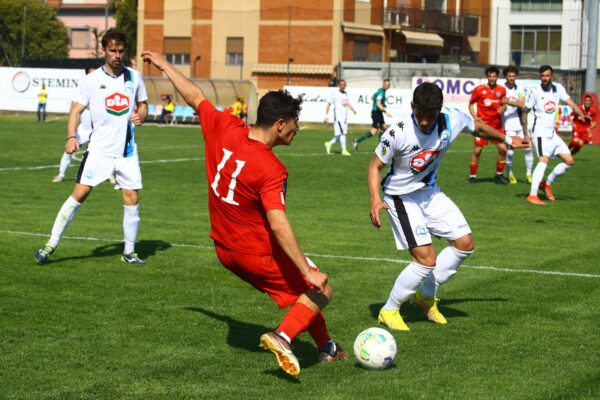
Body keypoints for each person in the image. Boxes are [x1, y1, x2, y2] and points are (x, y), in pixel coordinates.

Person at [141, 50, 348, 376]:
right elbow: (277, 222)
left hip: (224, 249)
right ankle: (282, 337)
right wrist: (307, 272)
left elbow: (195, 96)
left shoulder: (225, 125)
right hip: (254, 251)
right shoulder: (271, 169)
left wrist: (166, 65)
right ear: (280, 124)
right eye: (295, 123)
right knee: (319, 289)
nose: (298, 129)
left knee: (302, 292)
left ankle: (328, 348)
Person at [368, 82, 527, 331]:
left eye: (429, 117)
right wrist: (375, 200)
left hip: (429, 192)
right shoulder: (398, 131)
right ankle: (389, 309)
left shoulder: (452, 119)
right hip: (400, 197)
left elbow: (479, 129)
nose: (423, 122)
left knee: (465, 243)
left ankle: (425, 297)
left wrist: (507, 139)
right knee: (425, 259)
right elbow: (375, 165)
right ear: (412, 107)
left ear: (440, 110)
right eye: (419, 115)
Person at [34, 28, 148, 265]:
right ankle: (50, 244)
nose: (117, 55)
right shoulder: (91, 80)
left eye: (121, 51)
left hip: (127, 151)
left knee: (131, 198)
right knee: (80, 194)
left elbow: (143, 104)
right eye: (112, 50)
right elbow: (75, 110)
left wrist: (141, 116)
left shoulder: (134, 77)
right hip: (98, 150)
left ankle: (129, 252)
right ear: (104, 51)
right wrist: (71, 137)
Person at [522, 65, 587, 205]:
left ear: (551, 76)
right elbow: (525, 111)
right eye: (542, 76)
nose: (545, 78)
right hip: (539, 134)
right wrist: (525, 134)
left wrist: (580, 113)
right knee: (543, 161)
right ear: (540, 76)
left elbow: (570, 102)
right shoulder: (535, 91)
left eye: (547, 75)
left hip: (552, 134)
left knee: (569, 161)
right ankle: (532, 195)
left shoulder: (558, 88)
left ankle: (546, 183)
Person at [52, 66, 97, 183]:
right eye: (90, 74)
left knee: (108, 153)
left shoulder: (104, 88)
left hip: (99, 129)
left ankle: (111, 175)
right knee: (69, 150)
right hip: (84, 129)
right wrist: (73, 126)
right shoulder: (81, 90)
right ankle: (61, 175)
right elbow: (73, 109)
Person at [468, 66, 508, 184]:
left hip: (497, 126)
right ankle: (472, 176)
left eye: (494, 76)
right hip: (483, 127)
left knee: (503, 149)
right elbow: (470, 104)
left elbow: (504, 104)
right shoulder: (479, 89)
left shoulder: (502, 90)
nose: (492, 78)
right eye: (490, 76)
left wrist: (503, 108)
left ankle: (499, 175)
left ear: (497, 77)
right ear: (487, 76)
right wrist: (476, 118)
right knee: (477, 151)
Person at [501, 65, 534, 184]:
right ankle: (510, 173)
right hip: (507, 123)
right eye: (509, 76)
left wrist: (508, 101)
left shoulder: (519, 88)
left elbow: (521, 104)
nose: (511, 78)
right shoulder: (501, 89)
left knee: (529, 148)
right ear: (505, 76)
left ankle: (529, 174)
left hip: (521, 123)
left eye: (513, 76)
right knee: (510, 151)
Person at [352, 79, 392, 151]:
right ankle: (357, 142)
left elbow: (372, 97)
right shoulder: (381, 93)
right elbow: (378, 104)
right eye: (386, 84)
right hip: (376, 112)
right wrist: (385, 111)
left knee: (384, 129)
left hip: (378, 112)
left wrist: (382, 104)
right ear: (383, 84)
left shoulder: (380, 90)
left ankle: (380, 147)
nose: (387, 86)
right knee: (374, 131)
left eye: (388, 85)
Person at [324, 79, 357, 156]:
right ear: (339, 85)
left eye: (344, 85)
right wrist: (326, 115)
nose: (343, 86)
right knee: (343, 134)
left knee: (338, 136)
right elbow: (329, 104)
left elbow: (347, 103)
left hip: (344, 118)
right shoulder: (335, 94)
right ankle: (344, 150)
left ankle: (328, 144)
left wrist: (353, 110)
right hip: (338, 118)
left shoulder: (346, 94)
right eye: (342, 84)